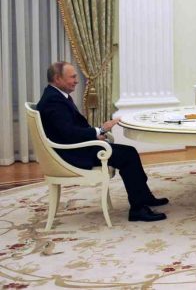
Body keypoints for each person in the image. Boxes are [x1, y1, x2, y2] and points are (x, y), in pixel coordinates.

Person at [36, 62, 168, 222]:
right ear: (57, 78)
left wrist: (95, 135)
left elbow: (67, 131)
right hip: (72, 153)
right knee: (128, 156)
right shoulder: (54, 100)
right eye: (73, 77)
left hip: (75, 147)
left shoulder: (55, 96)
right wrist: (100, 130)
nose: (76, 80)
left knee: (129, 152)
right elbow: (69, 133)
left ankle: (144, 197)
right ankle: (138, 209)